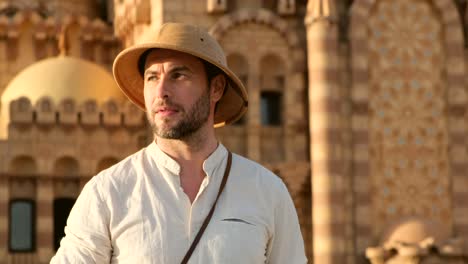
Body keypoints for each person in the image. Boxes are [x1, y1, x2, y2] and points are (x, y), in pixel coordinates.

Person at [51, 22, 306, 263]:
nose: (161, 91)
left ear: (216, 88)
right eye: (152, 77)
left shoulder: (267, 192)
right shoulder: (108, 193)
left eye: (178, 75)